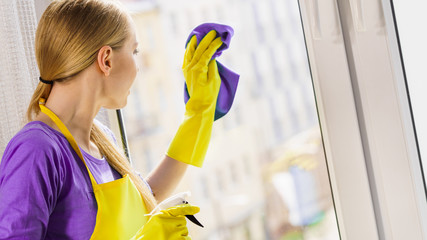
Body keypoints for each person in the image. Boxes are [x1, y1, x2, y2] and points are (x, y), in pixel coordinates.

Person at [0, 0, 223, 239]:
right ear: (106, 59)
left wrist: (199, 114)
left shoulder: (102, 138)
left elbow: (147, 197)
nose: (137, 67)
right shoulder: (37, 150)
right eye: (134, 51)